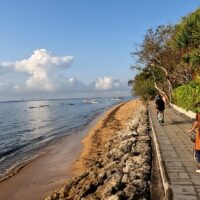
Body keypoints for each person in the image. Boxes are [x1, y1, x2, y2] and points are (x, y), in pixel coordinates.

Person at [188, 103, 200, 173]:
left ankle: (199, 168)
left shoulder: (198, 113)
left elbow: (197, 123)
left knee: (198, 151)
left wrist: (191, 129)